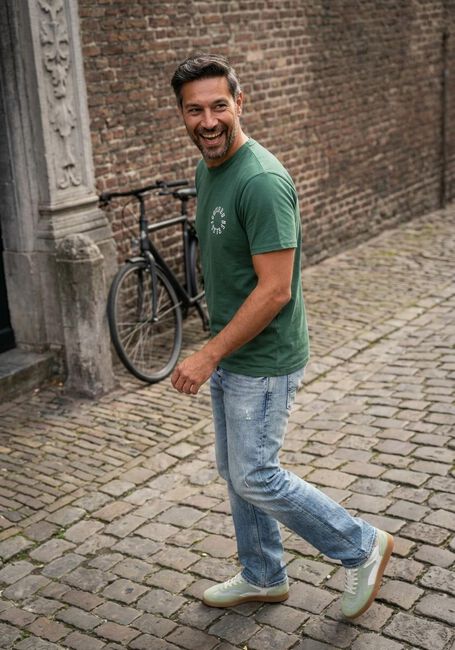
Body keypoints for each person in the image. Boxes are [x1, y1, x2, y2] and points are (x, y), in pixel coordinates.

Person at [170, 53, 393, 619]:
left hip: (263, 358)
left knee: (255, 474)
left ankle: (361, 545)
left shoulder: (262, 181)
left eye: (219, 106)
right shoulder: (207, 168)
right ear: (182, 114)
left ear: (239, 103)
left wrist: (208, 354)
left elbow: (275, 291)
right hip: (233, 349)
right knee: (237, 473)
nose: (208, 121)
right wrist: (218, 350)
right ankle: (263, 574)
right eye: (194, 110)